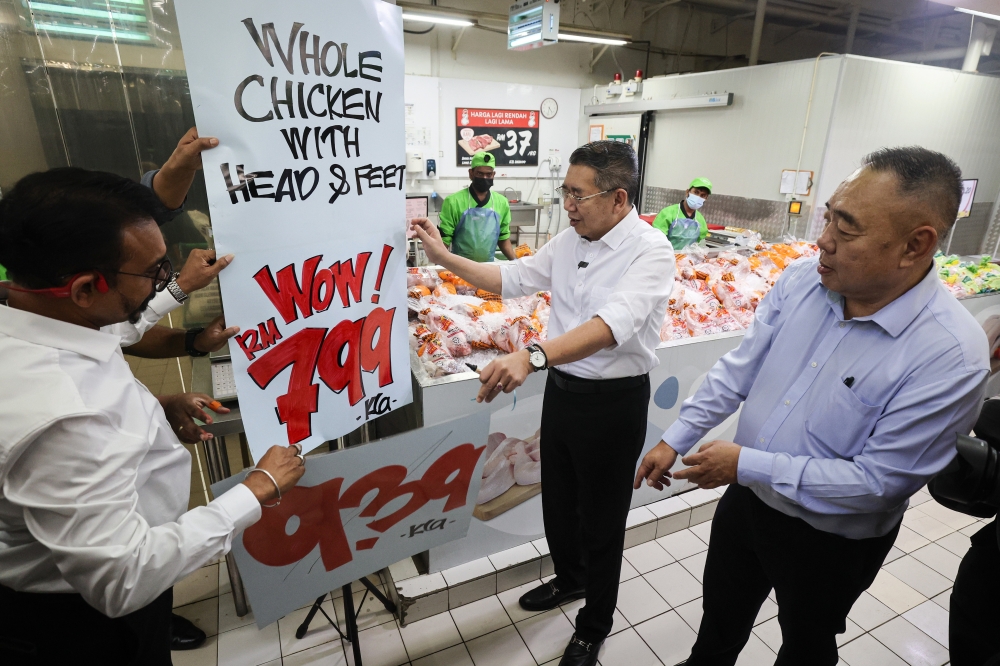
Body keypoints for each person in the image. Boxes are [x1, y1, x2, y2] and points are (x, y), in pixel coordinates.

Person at [634, 146, 989, 665]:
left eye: (846, 230)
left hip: (832, 539)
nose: (822, 241)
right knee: (719, 622)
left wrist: (745, 463)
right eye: (829, 218)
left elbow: (879, 483)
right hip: (749, 502)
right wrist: (676, 437)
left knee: (807, 642)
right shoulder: (803, 280)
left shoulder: (949, 355)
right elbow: (741, 368)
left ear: (915, 245)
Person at [0, 168, 306, 665]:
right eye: (154, 272)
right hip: (79, 624)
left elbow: (116, 333)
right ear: (82, 289)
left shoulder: (42, 321)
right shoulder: (59, 414)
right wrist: (256, 490)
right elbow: (124, 578)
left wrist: (155, 409)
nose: (166, 279)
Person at [412, 141, 675, 666]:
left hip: (613, 403)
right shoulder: (569, 240)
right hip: (564, 393)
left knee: (601, 521)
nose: (568, 204)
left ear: (618, 198)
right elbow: (510, 278)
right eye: (566, 192)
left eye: (578, 194)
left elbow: (609, 329)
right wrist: (443, 259)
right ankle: (570, 580)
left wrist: (531, 357)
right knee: (557, 500)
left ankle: (593, 625)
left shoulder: (651, 250)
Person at [438, 151, 517, 262]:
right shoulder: (453, 202)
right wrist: (438, 265)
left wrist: (516, 263)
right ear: (471, 173)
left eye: (488, 174)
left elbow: (503, 238)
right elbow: (444, 241)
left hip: (489, 268)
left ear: (493, 175)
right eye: (480, 174)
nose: (484, 178)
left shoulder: (501, 203)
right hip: (460, 268)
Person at [651, 177, 712, 250]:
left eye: (702, 195)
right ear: (687, 192)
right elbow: (657, 241)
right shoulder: (667, 213)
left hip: (688, 260)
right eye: (696, 192)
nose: (698, 197)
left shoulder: (700, 220)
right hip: (666, 257)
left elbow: (699, 245)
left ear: (706, 198)